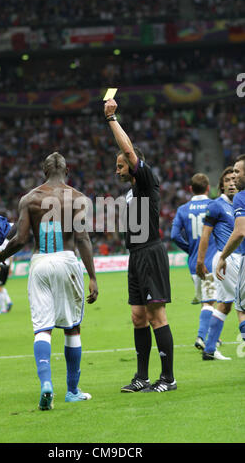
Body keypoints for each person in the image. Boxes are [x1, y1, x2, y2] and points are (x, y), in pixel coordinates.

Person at [0, 152, 98, 410]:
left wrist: (0, 257)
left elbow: (21, 238)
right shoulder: (78, 198)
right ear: (67, 171)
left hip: (40, 262)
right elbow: (82, 239)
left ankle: (46, 384)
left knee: (43, 328)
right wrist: (92, 276)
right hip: (68, 261)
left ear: (43, 171)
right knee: (72, 328)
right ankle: (72, 390)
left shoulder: (29, 199)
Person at [104, 98, 176, 393]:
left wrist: (111, 119)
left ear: (132, 166)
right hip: (135, 256)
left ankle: (168, 378)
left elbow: (130, 150)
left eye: (120, 166)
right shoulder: (131, 194)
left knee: (156, 315)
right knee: (137, 316)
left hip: (151, 252)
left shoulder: (147, 181)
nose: (117, 170)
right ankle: (142, 377)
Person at [196, 167, 241, 360]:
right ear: (221, 185)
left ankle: (210, 349)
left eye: (234, 179)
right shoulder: (216, 206)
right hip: (227, 259)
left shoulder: (240, 204)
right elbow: (205, 235)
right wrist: (200, 261)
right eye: (227, 180)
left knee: (225, 305)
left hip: (238, 259)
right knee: (241, 305)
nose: (231, 183)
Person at [171, 173, 218, 351]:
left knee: (208, 299)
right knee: (210, 302)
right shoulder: (214, 205)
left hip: (192, 263)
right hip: (210, 261)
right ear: (208, 188)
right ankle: (201, 337)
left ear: (190, 189)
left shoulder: (183, 209)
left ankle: (214, 337)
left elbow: (174, 235)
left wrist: (190, 249)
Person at [216, 155, 245, 344]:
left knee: (241, 308)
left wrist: (222, 257)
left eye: (237, 171)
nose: (234, 175)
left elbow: (240, 232)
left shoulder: (241, 197)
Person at [0, 224, 14, 314]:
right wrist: (10, 267)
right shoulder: (7, 242)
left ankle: (3, 308)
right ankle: (8, 302)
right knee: (0, 286)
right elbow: (11, 255)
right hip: (6, 266)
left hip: (0, 266)